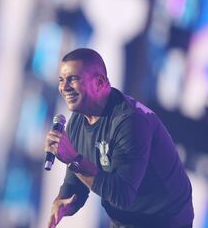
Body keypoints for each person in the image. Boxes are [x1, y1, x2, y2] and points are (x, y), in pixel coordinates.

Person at [44, 48, 194, 228]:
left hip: (164, 219)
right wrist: (63, 202)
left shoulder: (130, 122)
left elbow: (122, 194)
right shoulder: (78, 121)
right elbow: (76, 181)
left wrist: (74, 159)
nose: (64, 87)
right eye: (61, 80)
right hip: (125, 221)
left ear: (99, 82)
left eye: (73, 79)